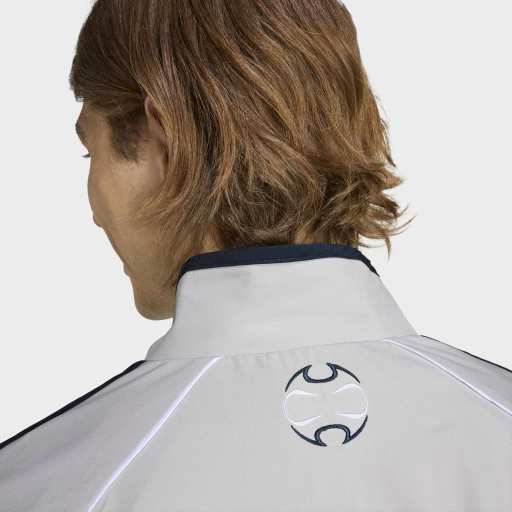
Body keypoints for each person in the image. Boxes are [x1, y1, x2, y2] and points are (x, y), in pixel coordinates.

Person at [1, 1, 510, 510]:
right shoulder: (497, 420)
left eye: (91, 151)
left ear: (164, 136)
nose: (94, 211)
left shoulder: (45, 485)